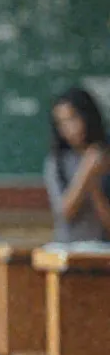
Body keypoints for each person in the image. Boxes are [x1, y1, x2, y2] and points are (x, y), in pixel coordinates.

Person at [44, 86, 110, 242]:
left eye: (73, 118)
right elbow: (65, 212)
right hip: (68, 248)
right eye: (62, 123)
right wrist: (87, 170)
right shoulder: (56, 162)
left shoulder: (105, 156)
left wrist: (94, 185)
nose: (69, 128)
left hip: (103, 249)